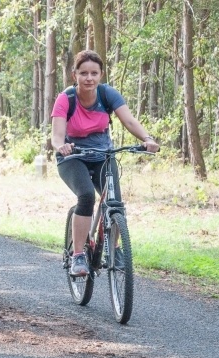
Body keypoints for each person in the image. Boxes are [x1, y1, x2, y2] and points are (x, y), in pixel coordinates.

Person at [51, 50, 159, 277]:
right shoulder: (66, 99)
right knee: (87, 196)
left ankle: (114, 248)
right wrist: (62, 146)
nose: (89, 78)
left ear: (100, 74)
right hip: (73, 157)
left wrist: (147, 139)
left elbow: (129, 120)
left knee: (114, 202)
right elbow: (57, 135)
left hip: (103, 155)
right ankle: (78, 255)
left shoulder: (107, 94)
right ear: (75, 75)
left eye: (94, 73)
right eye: (83, 73)